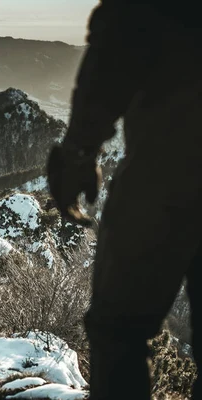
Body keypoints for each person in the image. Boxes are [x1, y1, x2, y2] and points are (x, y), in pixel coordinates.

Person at [47, 1, 202, 399]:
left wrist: (79, 151)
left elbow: (120, 41)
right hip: (165, 172)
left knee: (119, 331)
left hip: (167, 173)